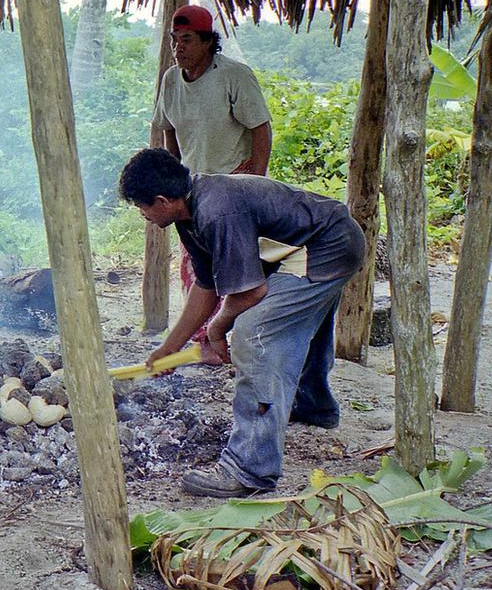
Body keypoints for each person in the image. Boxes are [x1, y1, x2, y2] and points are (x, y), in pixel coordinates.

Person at [119, 148, 365, 498]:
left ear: (161, 201)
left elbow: (250, 293)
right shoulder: (189, 211)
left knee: (254, 333)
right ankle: (314, 406)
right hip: (314, 244)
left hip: (329, 247)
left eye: (141, 207)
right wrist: (170, 347)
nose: (142, 215)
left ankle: (249, 468)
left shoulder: (218, 210)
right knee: (293, 320)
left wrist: (217, 330)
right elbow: (206, 287)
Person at [152, 4, 272, 294]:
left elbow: (261, 128)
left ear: (207, 42)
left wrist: (255, 180)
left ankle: (231, 321)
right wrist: (173, 180)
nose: (178, 48)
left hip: (233, 182)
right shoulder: (171, 80)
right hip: (193, 186)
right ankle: (203, 322)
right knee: (199, 269)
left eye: (187, 40)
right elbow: (167, 128)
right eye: (174, 40)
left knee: (235, 271)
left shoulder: (233, 75)